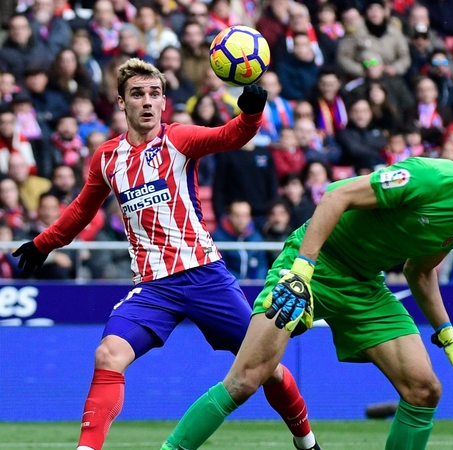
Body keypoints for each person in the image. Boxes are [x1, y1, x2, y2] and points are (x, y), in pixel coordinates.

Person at [160, 134, 453, 450]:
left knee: (424, 390)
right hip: (313, 265)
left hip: (365, 285)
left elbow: (419, 271)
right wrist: (302, 268)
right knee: (246, 379)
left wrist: (448, 334)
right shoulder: (431, 177)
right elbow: (337, 195)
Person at [11, 59, 321, 450]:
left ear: (163, 103)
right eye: (137, 94)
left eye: (154, 94)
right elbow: (81, 210)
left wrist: (252, 113)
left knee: (267, 368)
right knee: (108, 354)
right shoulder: (107, 158)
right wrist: (44, 243)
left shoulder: (179, 139)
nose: (147, 101)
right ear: (121, 102)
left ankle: (306, 441)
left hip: (205, 276)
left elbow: (230, 135)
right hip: (153, 287)